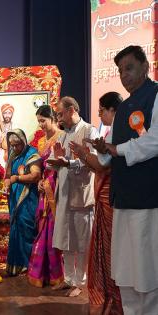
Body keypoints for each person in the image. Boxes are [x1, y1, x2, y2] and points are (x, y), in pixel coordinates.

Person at [91, 45, 158, 314]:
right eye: (120, 71)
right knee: (127, 270)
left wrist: (117, 150)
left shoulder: (155, 96)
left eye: (129, 68)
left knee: (148, 270)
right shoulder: (123, 109)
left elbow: (154, 140)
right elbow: (109, 156)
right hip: (123, 200)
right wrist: (98, 150)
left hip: (148, 200)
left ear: (145, 67)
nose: (124, 75)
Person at [70, 92, 123, 314]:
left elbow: (102, 166)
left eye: (101, 110)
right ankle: (111, 296)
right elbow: (102, 165)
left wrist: (83, 153)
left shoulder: (118, 132)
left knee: (112, 252)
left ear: (113, 110)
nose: (99, 114)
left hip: (112, 199)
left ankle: (115, 298)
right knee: (106, 251)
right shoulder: (112, 133)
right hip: (107, 198)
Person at [47, 96, 98, 297]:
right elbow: (59, 161)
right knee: (66, 238)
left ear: (71, 110)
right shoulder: (62, 135)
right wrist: (56, 161)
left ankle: (80, 281)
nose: (58, 119)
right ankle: (68, 279)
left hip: (82, 194)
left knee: (83, 240)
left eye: (60, 114)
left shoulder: (89, 130)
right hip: (65, 193)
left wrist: (68, 163)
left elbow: (93, 162)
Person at [27, 105, 64, 288]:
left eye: (43, 120)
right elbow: (40, 168)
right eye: (39, 121)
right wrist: (40, 182)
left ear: (52, 119)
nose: (41, 124)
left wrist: (50, 183)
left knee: (54, 231)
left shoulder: (61, 137)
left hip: (58, 189)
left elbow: (63, 165)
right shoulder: (41, 142)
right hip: (44, 188)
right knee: (43, 228)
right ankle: (43, 274)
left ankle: (58, 275)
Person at [4, 128, 41, 277]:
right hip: (14, 198)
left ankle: (28, 266)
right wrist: (7, 182)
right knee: (16, 231)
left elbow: (36, 175)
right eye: (12, 145)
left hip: (27, 200)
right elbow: (8, 175)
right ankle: (15, 265)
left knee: (26, 230)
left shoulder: (32, 154)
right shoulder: (13, 155)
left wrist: (17, 179)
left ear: (24, 141)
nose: (14, 148)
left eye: (17, 144)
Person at [0, 103, 16, 169]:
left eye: (9, 113)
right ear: (2, 114)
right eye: (5, 113)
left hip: (13, 154)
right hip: (0, 155)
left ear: (12, 114)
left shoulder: (15, 126)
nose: (7, 115)